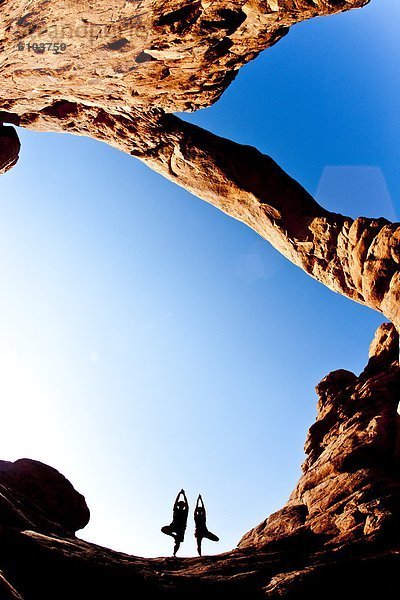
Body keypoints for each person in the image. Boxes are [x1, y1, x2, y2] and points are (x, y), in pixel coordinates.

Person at [161, 489, 189, 556]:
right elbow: (176, 502)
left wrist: (183, 495)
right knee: (163, 529)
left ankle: (174, 554)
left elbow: (187, 504)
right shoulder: (176, 510)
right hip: (174, 526)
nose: (181, 506)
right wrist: (180, 494)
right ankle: (173, 536)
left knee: (178, 542)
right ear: (179, 506)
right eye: (180, 505)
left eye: (182, 505)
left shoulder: (185, 511)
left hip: (181, 528)